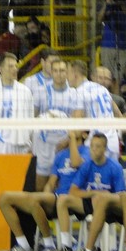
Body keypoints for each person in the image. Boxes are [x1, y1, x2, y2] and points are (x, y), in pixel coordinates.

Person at [0, 131, 88, 251]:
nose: (72, 129)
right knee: (4, 198)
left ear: (85, 135)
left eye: (76, 128)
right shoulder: (60, 155)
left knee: (34, 200)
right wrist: (45, 194)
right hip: (55, 198)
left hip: (74, 200)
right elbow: (51, 182)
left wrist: (72, 138)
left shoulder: (88, 152)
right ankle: (23, 246)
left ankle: (49, 245)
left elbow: (75, 162)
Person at [66, 133, 126, 251]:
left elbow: (122, 196)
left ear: (105, 148)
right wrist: (94, 193)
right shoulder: (87, 165)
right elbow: (73, 191)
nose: (94, 149)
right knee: (64, 200)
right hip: (92, 201)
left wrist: (104, 197)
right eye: (92, 146)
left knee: (101, 200)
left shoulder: (115, 167)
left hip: (110, 208)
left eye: (98, 147)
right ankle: (65, 247)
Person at [31, 59, 84, 192]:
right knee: (40, 184)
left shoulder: (75, 94)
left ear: (67, 72)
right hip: (43, 144)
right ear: (51, 72)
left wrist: (67, 141)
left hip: (64, 144)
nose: (59, 74)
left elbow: (77, 123)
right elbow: (32, 118)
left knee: (61, 183)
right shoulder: (40, 91)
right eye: (55, 71)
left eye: (62, 70)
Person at [67, 60, 122, 161]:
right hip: (113, 143)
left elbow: (77, 131)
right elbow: (119, 116)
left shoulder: (79, 92)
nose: (67, 77)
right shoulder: (102, 89)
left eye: (68, 73)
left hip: (96, 145)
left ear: (75, 74)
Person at [97, 0, 126, 86]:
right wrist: (107, 4)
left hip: (123, 47)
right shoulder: (105, 6)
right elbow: (99, 18)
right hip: (108, 46)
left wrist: (119, 2)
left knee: (121, 78)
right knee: (107, 77)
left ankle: (118, 99)